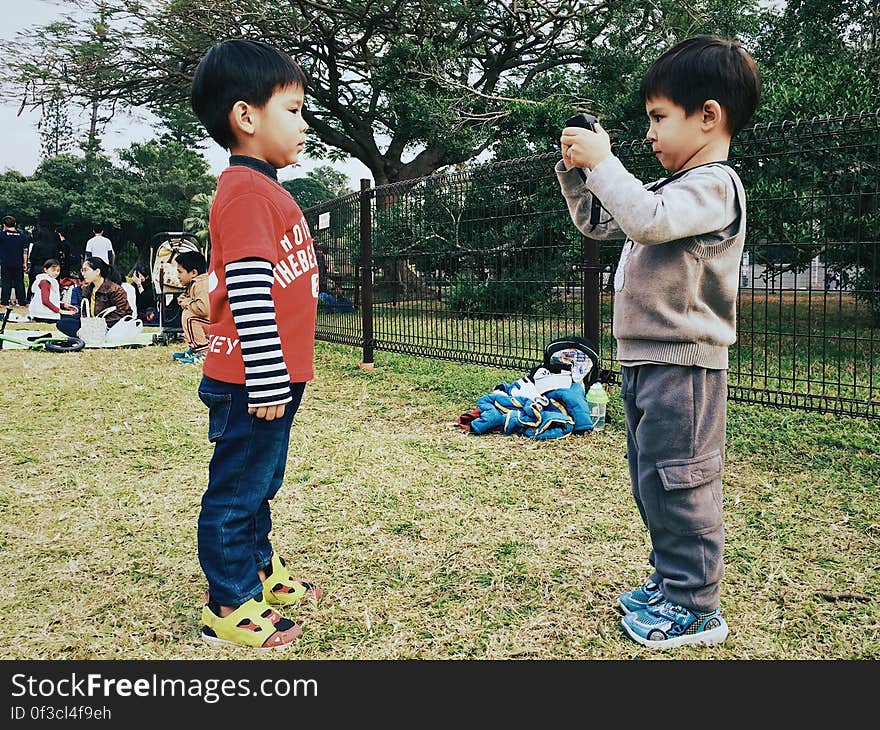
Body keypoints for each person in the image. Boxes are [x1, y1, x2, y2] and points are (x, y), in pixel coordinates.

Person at [557, 35, 760, 649]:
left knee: (681, 479)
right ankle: (673, 581)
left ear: (708, 116)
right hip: (645, 360)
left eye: (658, 117)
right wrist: (576, 174)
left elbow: (644, 219)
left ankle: (697, 606)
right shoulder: (668, 192)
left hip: (685, 364)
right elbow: (601, 220)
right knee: (651, 478)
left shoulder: (714, 187)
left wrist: (602, 163)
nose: (649, 133)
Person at [190, 38, 323, 650]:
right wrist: (269, 371)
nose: (304, 123)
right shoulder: (245, 191)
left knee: (261, 482)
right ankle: (228, 599)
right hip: (253, 378)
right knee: (238, 488)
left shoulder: (265, 188)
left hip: (272, 376)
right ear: (246, 117)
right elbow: (245, 287)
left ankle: (258, 571)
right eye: (293, 110)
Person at [172, 250, 210, 361]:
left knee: (189, 317)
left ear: (193, 272)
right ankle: (194, 349)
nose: (178, 276)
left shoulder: (201, 284)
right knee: (188, 315)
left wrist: (186, 302)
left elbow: (204, 309)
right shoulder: (195, 282)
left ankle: (203, 352)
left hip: (214, 324)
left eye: (180, 272)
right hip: (211, 322)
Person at [79, 256, 132, 329]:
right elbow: (84, 311)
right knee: (65, 323)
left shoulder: (115, 289)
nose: (83, 274)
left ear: (97, 271)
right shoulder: (87, 289)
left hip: (111, 325)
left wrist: (98, 324)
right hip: (92, 324)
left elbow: (121, 313)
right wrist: (85, 325)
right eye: (82, 270)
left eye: (86, 270)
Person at [27, 258, 78, 324]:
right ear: (45, 270)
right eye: (53, 270)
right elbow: (45, 301)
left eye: (58, 271)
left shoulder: (50, 280)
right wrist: (61, 311)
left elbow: (50, 300)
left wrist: (64, 305)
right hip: (43, 314)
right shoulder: (45, 281)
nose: (56, 273)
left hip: (42, 313)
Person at [27, 226, 63, 299]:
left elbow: (32, 257)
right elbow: (56, 257)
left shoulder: (36, 245)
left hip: (38, 266)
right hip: (50, 267)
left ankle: (29, 298)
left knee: (33, 282)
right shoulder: (53, 246)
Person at [0, 215, 28, 308]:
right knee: (19, 283)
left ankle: (4, 302)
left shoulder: (2, 235)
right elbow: (25, 251)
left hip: (5, 262)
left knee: (6, 282)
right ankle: (22, 302)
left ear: (4, 225)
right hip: (18, 263)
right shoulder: (22, 236)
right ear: (15, 224)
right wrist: (25, 263)